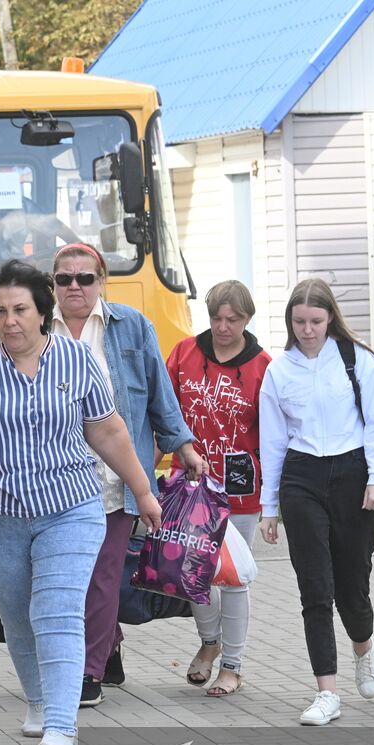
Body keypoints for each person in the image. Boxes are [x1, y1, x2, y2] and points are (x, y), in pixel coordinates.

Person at [0, 260, 164, 745]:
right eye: (0, 311)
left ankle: (62, 726)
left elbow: (107, 431)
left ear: (43, 311)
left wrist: (143, 493)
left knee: (57, 612)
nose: (10, 320)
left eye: (20, 309)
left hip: (71, 508)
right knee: (19, 614)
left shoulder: (76, 360)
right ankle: (39, 701)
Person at [50, 243, 204, 707]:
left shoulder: (131, 327)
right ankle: (107, 645)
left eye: (85, 278)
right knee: (66, 578)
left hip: (115, 477)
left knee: (102, 576)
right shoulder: (37, 329)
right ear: (52, 283)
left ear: (101, 282)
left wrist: (183, 445)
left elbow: (159, 392)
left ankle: (87, 673)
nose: (75, 287)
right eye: (64, 278)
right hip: (52, 480)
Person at [258, 278, 374, 726]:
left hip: (353, 472)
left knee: (353, 586)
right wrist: (269, 507)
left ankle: (363, 645)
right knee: (315, 588)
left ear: (331, 318)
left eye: (316, 321)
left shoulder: (359, 361)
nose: (307, 330)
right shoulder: (279, 371)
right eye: (299, 321)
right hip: (302, 476)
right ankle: (326, 692)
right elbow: (273, 442)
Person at [165, 280, 272, 697]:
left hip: (241, 485)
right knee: (194, 571)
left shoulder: (264, 366)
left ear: (248, 319)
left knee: (232, 576)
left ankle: (233, 665)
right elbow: (165, 410)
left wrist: (275, 498)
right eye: (216, 318)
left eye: (233, 319)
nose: (223, 327)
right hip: (191, 481)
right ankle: (210, 645)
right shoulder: (184, 354)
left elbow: (275, 431)